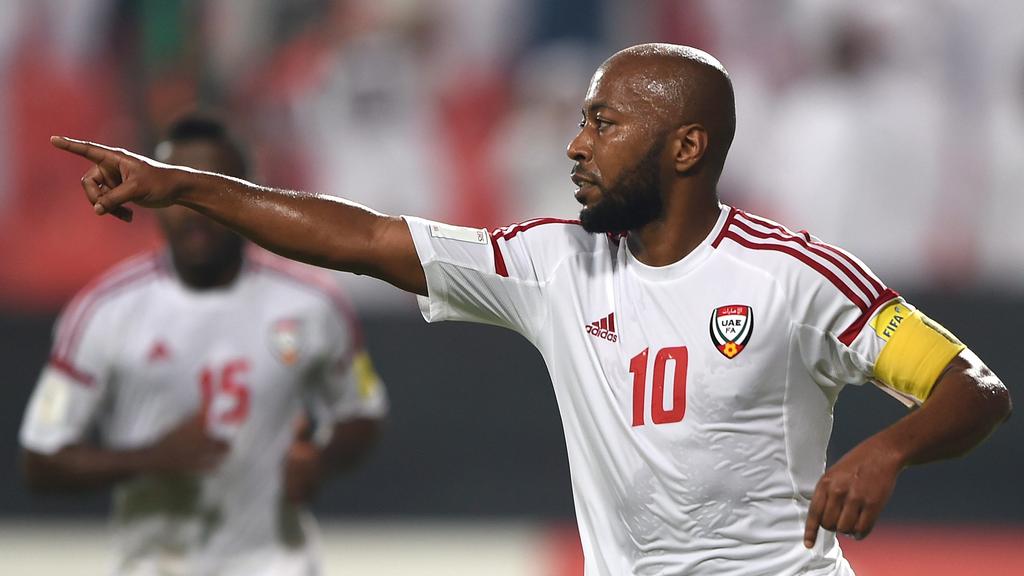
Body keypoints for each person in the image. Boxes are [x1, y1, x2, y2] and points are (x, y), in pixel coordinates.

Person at [50, 44, 1011, 576]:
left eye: (604, 122)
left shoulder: (793, 276)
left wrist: (888, 449)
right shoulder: (555, 263)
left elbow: (974, 389)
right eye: (582, 120)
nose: (575, 145)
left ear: (685, 148)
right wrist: (185, 186)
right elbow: (367, 239)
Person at [23, 113, 389, 576]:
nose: (191, 211)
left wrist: (321, 459)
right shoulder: (105, 311)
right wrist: (152, 458)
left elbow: (362, 411)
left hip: (278, 563)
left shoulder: (313, 305)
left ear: (244, 198)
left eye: (206, 191)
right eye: (175, 193)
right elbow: (41, 459)